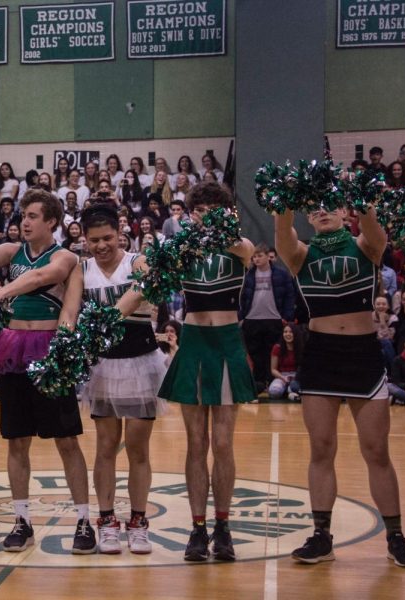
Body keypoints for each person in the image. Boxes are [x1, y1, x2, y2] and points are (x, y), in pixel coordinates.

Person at [275, 200, 405, 567]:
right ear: (308, 217)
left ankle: (396, 537)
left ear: (344, 212)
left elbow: (374, 228)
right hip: (321, 355)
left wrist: (361, 199)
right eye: (315, 209)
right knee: (321, 449)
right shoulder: (300, 254)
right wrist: (283, 198)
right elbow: (282, 230)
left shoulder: (365, 246)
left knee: (376, 451)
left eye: (330, 207)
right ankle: (322, 536)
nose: (322, 212)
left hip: (363, 353)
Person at [0, 188, 95, 554]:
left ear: (52, 221)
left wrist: (2, 292)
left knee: (67, 440)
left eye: (33, 216)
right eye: (23, 216)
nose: (25, 221)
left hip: (50, 351)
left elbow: (40, 279)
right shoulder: (12, 251)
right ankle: (22, 520)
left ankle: (84, 521)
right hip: (14, 351)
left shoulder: (65, 257)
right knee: (17, 440)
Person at [57, 204, 168, 555]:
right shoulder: (81, 269)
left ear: (120, 235)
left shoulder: (137, 261)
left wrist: (105, 317)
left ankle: (138, 522)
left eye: (108, 238)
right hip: (104, 367)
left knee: (137, 448)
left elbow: (142, 292)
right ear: (84, 240)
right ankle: (106, 521)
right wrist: (65, 342)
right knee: (105, 447)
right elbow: (70, 312)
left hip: (140, 363)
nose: (102, 245)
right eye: (94, 240)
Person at [156, 182, 256, 562]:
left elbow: (242, 248)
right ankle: (197, 529)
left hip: (228, 342)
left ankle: (223, 526)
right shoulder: (182, 248)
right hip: (195, 340)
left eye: (215, 208)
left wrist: (215, 228)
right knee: (196, 443)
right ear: (191, 213)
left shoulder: (240, 245)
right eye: (200, 209)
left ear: (226, 212)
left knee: (224, 444)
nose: (205, 214)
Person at [239, 243, 297, 391]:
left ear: (267, 256)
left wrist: (287, 316)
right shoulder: (248, 275)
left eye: (259, 256)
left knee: (272, 351)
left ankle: (272, 380)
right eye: (254, 257)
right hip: (252, 319)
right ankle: (258, 382)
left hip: (274, 319)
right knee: (255, 352)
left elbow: (290, 296)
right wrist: (242, 316)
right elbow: (241, 297)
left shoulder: (282, 274)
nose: (256, 259)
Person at [268, 323, 303, 401]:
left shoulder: (301, 348)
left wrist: (296, 378)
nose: (287, 334)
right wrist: (283, 378)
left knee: (294, 387)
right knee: (274, 392)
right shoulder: (277, 348)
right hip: (281, 376)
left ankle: (291, 391)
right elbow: (273, 370)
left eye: (290, 332)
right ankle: (287, 391)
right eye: (285, 332)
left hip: (297, 376)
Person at [388, 334, 405, 405]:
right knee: (390, 386)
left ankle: (401, 400)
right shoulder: (397, 360)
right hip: (404, 389)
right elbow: (395, 381)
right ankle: (404, 400)